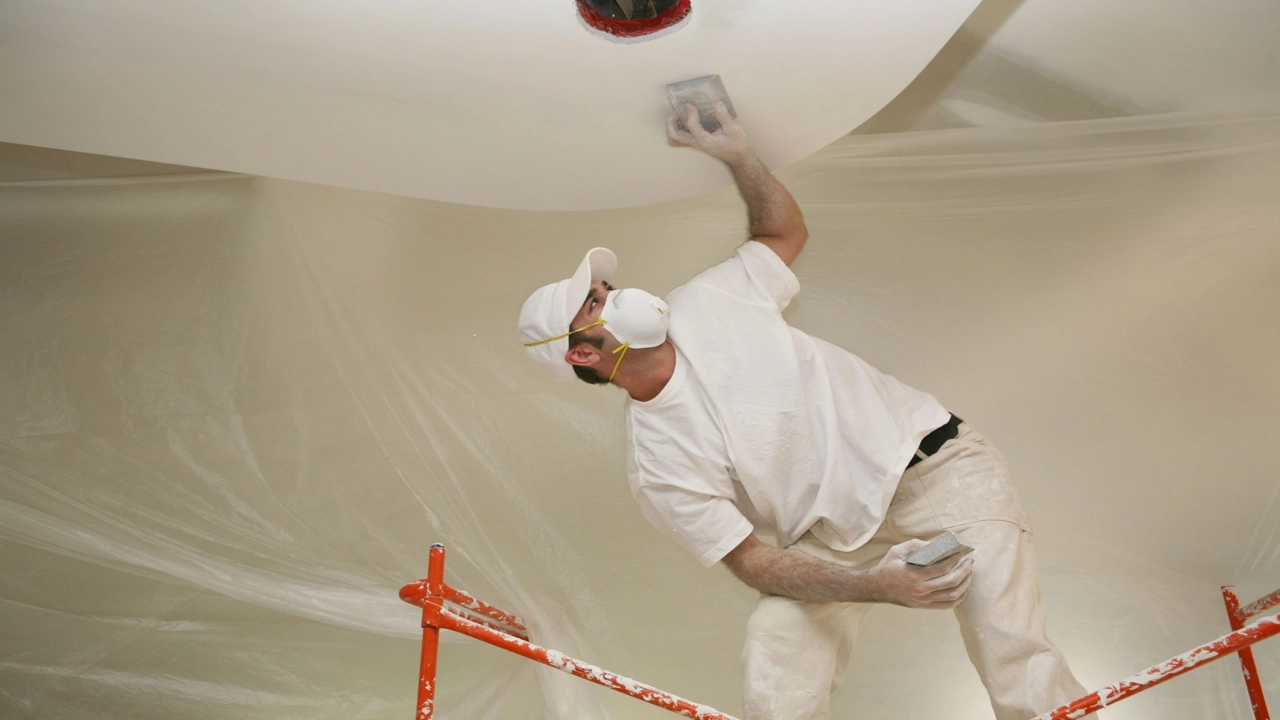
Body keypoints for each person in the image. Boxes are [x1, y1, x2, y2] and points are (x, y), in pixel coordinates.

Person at [516, 103, 1092, 720]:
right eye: (596, 304)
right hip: (830, 538)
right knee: (776, 655)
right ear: (582, 351)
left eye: (607, 289)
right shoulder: (658, 464)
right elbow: (754, 561)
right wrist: (874, 586)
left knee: (1012, 651)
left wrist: (738, 154)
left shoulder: (708, 301)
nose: (619, 296)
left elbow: (781, 235)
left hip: (935, 471)